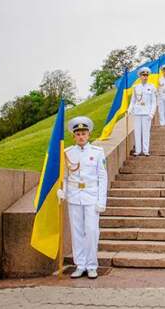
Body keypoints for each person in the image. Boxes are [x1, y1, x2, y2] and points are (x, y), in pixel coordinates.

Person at [57, 116, 108, 279]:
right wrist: (62, 191)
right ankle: (80, 264)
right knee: (77, 232)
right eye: (78, 133)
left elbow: (102, 178)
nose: (81, 136)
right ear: (74, 136)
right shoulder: (67, 153)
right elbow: (64, 177)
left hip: (91, 197)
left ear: (89, 135)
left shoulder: (97, 152)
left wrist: (102, 201)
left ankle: (92, 265)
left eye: (84, 133)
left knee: (92, 231)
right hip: (74, 197)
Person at [128, 67, 157, 156]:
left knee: (146, 132)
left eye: (146, 75)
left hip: (146, 113)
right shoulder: (136, 87)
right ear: (140, 76)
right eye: (143, 75)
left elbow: (153, 102)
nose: (145, 77)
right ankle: (138, 150)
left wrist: (152, 113)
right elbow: (133, 101)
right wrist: (129, 109)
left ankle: (145, 150)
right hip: (137, 112)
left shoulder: (151, 87)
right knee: (137, 132)